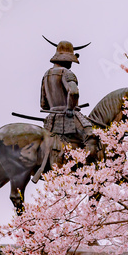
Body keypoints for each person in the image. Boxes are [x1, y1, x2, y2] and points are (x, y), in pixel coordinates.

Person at [33, 39, 91, 183]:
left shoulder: (46, 74)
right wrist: (71, 108)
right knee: (92, 135)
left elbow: (43, 104)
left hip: (51, 119)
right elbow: (74, 92)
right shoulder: (67, 73)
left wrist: (55, 107)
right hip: (69, 117)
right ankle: (90, 168)